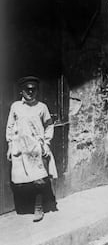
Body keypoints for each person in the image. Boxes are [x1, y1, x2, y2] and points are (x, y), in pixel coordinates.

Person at [6, 76, 58, 222]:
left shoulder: (42, 107)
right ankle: (26, 206)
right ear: (21, 91)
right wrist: (10, 145)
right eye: (27, 89)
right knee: (21, 179)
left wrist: (46, 143)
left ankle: (38, 207)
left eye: (33, 89)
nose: (30, 92)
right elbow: (10, 126)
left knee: (39, 179)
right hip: (20, 148)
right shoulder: (15, 106)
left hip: (36, 148)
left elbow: (49, 125)